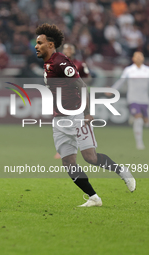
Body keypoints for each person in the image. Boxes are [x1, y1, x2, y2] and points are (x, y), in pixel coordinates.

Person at [34, 23, 136, 207]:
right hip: (59, 119)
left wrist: (88, 112)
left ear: (50, 44)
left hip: (76, 116)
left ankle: (122, 171)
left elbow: (81, 85)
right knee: (68, 162)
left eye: (39, 42)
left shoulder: (60, 62)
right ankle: (94, 197)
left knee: (90, 158)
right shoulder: (48, 63)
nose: (36, 46)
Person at [54, 43, 91, 159]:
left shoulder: (80, 64)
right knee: (62, 124)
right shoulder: (58, 64)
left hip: (78, 97)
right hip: (64, 98)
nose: (68, 50)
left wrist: (81, 84)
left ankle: (86, 147)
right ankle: (63, 150)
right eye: (66, 48)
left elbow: (87, 77)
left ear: (74, 51)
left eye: (70, 48)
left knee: (78, 124)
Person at [111, 51, 149, 150]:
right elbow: (121, 81)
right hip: (133, 98)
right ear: (133, 59)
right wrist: (112, 89)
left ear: (143, 58)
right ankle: (139, 144)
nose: (139, 58)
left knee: (146, 122)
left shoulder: (147, 70)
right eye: (136, 56)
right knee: (139, 120)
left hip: (144, 100)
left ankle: (133, 117)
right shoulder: (129, 70)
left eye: (140, 56)